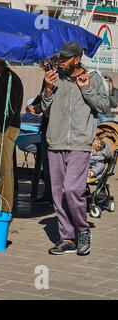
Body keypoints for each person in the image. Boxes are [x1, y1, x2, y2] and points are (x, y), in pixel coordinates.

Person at [41, 42, 110, 256]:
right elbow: (45, 109)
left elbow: (104, 107)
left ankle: (82, 230)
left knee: (72, 190)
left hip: (80, 144)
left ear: (77, 59)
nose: (60, 62)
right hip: (55, 142)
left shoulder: (95, 79)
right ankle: (67, 238)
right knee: (57, 194)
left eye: (64, 59)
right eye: (59, 58)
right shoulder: (55, 78)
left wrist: (86, 88)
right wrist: (48, 89)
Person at [0, 57, 24, 212]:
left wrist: (0, 127)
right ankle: (2, 203)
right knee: (2, 168)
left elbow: (9, 108)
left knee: (3, 169)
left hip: (5, 129)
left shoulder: (8, 79)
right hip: (3, 127)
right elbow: (4, 107)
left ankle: (4, 207)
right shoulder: (6, 79)